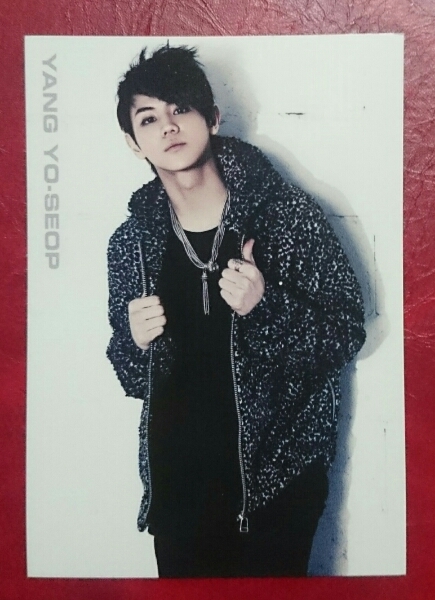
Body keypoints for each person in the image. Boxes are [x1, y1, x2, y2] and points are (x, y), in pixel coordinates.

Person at [107, 44, 366, 578]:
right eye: (148, 118)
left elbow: (345, 333)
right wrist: (133, 343)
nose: (168, 126)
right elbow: (134, 380)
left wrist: (265, 307)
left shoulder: (285, 216)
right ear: (133, 143)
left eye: (181, 108)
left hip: (274, 486)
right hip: (177, 490)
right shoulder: (130, 244)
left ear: (213, 118)